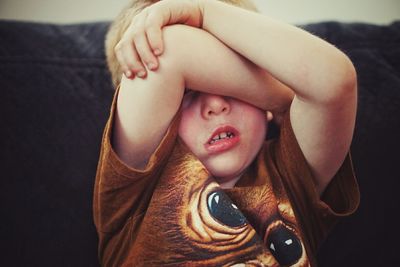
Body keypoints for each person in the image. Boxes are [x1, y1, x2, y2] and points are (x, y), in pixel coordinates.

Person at [93, 0, 360, 266]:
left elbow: (334, 81)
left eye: (234, 87)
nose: (216, 104)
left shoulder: (290, 176)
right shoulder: (135, 191)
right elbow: (166, 50)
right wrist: (284, 99)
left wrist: (203, 11)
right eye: (187, 91)